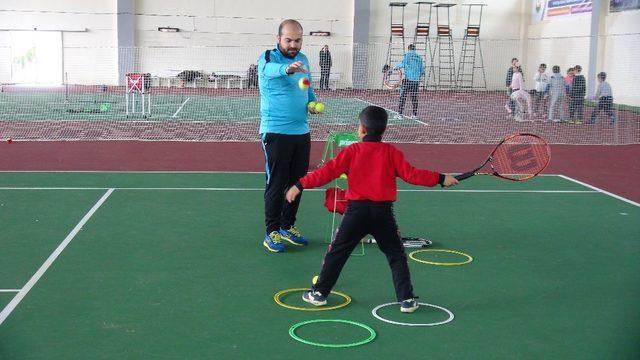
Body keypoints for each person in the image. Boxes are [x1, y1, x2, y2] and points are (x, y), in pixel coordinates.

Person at [285, 105, 458, 313]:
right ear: (383, 131)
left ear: (361, 129)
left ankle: (319, 293)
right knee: (396, 255)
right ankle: (407, 299)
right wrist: (441, 178)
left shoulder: (352, 151)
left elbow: (325, 173)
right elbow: (413, 175)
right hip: (383, 214)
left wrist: (299, 185)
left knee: (337, 253)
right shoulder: (391, 152)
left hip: (356, 213)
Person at [257, 19, 320, 253]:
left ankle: (287, 226)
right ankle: (271, 231)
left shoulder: (303, 59)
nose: (293, 44)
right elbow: (268, 71)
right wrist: (287, 68)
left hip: (301, 132)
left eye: (298, 40)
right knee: (276, 184)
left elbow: (307, 86)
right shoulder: (268, 57)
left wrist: (312, 103)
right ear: (278, 38)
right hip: (275, 132)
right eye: (289, 40)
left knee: (297, 183)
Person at [393, 44, 424, 119]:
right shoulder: (419, 58)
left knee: (402, 96)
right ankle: (414, 115)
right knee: (414, 98)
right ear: (414, 49)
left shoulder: (407, 56)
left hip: (408, 80)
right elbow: (422, 70)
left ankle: (400, 114)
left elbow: (403, 64)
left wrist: (395, 68)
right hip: (416, 81)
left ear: (409, 49)